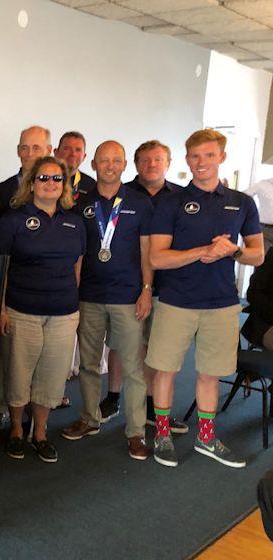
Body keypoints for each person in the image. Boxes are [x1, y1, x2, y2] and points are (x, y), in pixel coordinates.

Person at [147, 129, 264, 468]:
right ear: (187, 160)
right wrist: (202, 252)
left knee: (210, 374)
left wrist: (234, 251)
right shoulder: (171, 202)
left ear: (222, 158)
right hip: (176, 301)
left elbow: (257, 255)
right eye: (195, 156)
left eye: (209, 155)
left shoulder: (241, 202)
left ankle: (206, 438)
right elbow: (157, 258)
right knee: (165, 371)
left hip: (222, 304)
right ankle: (164, 434)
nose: (201, 163)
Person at [60, 141, 155, 460]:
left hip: (127, 297)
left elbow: (146, 252)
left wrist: (145, 289)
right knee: (88, 363)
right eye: (104, 160)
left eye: (116, 160)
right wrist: (74, 292)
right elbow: (77, 254)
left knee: (132, 367)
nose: (110, 165)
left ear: (125, 164)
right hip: (89, 296)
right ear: (94, 164)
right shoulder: (81, 204)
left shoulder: (140, 203)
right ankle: (89, 418)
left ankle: (136, 432)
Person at [0, 156, 85, 463]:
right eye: (43, 178)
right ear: (31, 183)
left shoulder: (74, 222)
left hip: (63, 312)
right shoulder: (13, 220)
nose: (50, 184)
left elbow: (77, 266)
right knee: (19, 374)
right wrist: (2, 309)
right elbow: (1, 268)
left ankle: (41, 432)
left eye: (57, 179)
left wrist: (76, 308)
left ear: (65, 185)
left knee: (52, 376)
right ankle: (17, 429)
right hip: (22, 309)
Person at [100, 140, 188, 435]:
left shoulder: (180, 197)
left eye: (158, 159)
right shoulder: (121, 194)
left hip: (166, 284)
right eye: (145, 160)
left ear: (168, 162)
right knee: (120, 345)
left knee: (153, 346)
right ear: (135, 165)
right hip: (125, 284)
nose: (152, 165)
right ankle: (112, 398)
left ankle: (151, 407)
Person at [0, 125, 52, 226]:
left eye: (36, 148)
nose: (30, 154)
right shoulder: (1, 192)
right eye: (24, 148)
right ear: (18, 151)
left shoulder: (58, 189)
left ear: (48, 150)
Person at [54, 131, 96, 200]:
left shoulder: (91, 185)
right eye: (67, 148)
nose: (73, 154)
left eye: (78, 150)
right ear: (56, 152)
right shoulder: (44, 179)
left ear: (84, 156)